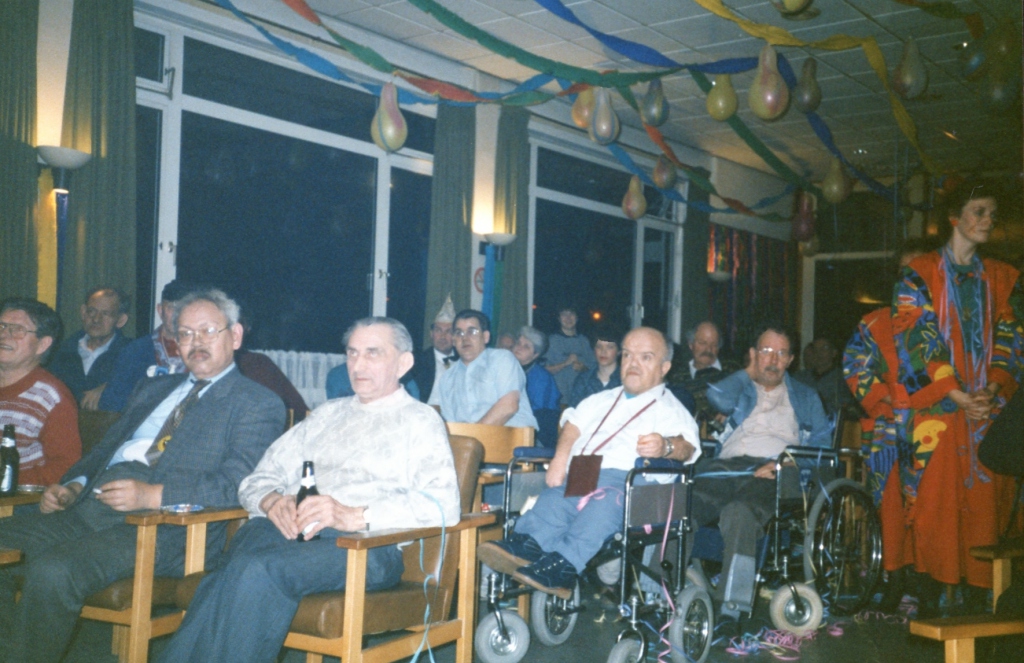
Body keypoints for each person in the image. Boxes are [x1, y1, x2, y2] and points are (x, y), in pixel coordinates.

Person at [0, 289, 285, 663]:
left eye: (207, 331)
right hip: (90, 507)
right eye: (185, 333)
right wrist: (72, 485)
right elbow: (103, 451)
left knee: (54, 571)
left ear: (235, 336)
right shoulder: (154, 388)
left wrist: (153, 495)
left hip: (165, 527)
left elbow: (237, 485)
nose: (195, 342)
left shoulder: (256, 403)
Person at [156, 317, 460, 663]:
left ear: (403, 363)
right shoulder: (326, 415)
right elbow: (256, 479)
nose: (358, 365)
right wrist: (271, 501)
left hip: (363, 546)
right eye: (352, 353)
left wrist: (353, 515)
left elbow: (443, 504)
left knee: (255, 570)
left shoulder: (420, 421)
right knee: (226, 574)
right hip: (280, 533)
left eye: (372, 353)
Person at [477, 327, 700, 598]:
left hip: (629, 478)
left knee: (602, 505)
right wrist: (560, 458)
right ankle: (528, 545)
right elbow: (573, 424)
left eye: (646, 357)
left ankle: (565, 563)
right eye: (628, 355)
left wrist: (666, 446)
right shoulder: (600, 399)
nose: (633, 363)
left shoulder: (671, 408)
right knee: (554, 500)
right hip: (585, 469)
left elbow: (688, 447)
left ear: (664, 367)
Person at [889, 178, 1023, 610]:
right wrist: (956, 392)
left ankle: (987, 613)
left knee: (987, 513)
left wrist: (993, 387)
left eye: (992, 213)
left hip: (987, 412)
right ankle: (929, 613)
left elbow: (1012, 337)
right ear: (954, 217)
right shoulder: (919, 273)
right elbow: (916, 338)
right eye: (978, 211)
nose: (988, 220)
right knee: (935, 512)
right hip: (938, 412)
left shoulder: (1003, 277)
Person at [693, 324, 831, 603]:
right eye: (766, 351)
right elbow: (715, 396)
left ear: (790, 360)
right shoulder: (741, 390)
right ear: (753, 354)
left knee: (740, 512)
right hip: (726, 469)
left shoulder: (805, 396)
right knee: (683, 503)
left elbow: (822, 449)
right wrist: (748, 372)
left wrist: (786, 464)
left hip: (773, 472)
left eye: (781, 353)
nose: (773, 360)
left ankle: (732, 605)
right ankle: (656, 594)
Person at [842, 239, 935, 603]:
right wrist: (884, 397)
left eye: (920, 271)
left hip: (934, 430)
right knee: (890, 507)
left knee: (931, 507)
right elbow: (853, 365)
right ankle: (894, 576)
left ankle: (929, 581)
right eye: (904, 272)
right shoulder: (874, 322)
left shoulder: (944, 324)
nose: (911, 279)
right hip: (887, 428)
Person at [0, 298, 81, 486]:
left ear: (43, 344)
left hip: (16, 498)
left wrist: (7, 480)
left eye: (17, 329)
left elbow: (65, 467)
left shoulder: (52, 397)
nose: (4, 335)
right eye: (2, 326)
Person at [99, 279, 193, 411]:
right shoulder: (137, 351)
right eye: (171, 308)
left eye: (184, 308)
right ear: (160, 310)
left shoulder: (202, 351)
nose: (178, 315)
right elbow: (112, 403)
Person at [437, 309, 537, 429]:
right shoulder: (447, 378)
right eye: (459, 333)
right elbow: (451, 425)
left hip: (510, 436)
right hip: (468, 439)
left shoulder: (502, 359)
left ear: (486, 337)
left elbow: (509, 406)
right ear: (453, 340)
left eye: (472, 332)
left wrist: (474, 436)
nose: (465, 338)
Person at [47, 287, 132, 409]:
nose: (96, 319)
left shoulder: (133, 352)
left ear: (121, 320)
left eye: (106, 313)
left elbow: (146, 384)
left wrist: (110, 386)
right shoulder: (59, 352)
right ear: (83, 312)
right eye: (91, 311)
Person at [667, 321, 738, 426]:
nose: (708, 349)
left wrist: (731, 411)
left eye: (714, 345)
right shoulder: (677, 375)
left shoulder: (732, 370)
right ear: (691, 344)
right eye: (702, 343)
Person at [512, 326, 561, 448]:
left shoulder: (542, 377)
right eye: (518, 343)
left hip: (538, 434)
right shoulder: (509, 370)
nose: (519, 347)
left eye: (526, 346)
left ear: (535, 355)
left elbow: (536, 413)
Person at [407, 295, 457, 404]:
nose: (443, 336)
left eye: (448, 331)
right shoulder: (417, 363)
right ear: (431, 334)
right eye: (438, 330)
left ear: (455, 336)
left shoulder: (464, 361)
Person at [544, 306, 596, 406]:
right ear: (559, 319)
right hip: (558, 401)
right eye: (564, 314)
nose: (568, 318)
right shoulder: (552, 341)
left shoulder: (584, 341)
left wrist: (583, 368)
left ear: (577, 317)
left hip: (581, 400)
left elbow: (594, 369)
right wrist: (565, 363)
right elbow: (545, 370)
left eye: (571, 314)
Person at [793, 337, 855, 416]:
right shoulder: (800, 377)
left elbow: (844, 408)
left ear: (834, 352)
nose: (819, 353)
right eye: (815, 349)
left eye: (824, 348)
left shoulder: (843, 379)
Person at [568, 325, 622, 407]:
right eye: (599, 346)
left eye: (609, 347)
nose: (603, 351)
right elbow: (573, 410)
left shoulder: (626, 381)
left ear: (619, 351)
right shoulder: (583, 380)